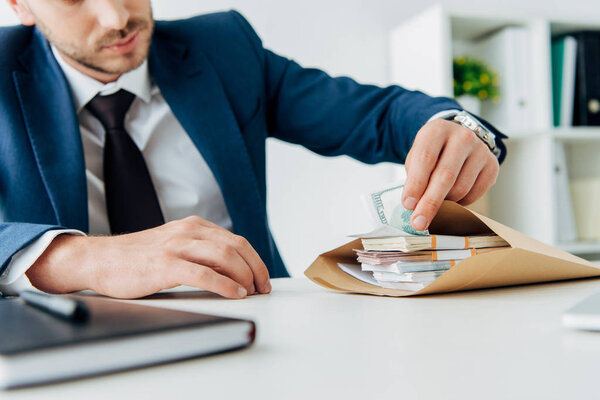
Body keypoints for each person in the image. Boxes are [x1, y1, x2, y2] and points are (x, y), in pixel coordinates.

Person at [0, 0, 506, 300]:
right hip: (73, 348)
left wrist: (458, 127)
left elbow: (374, 114)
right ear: (20, 5)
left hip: (251, 322)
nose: (116, 17)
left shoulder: (224, 49)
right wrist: (84, 259)